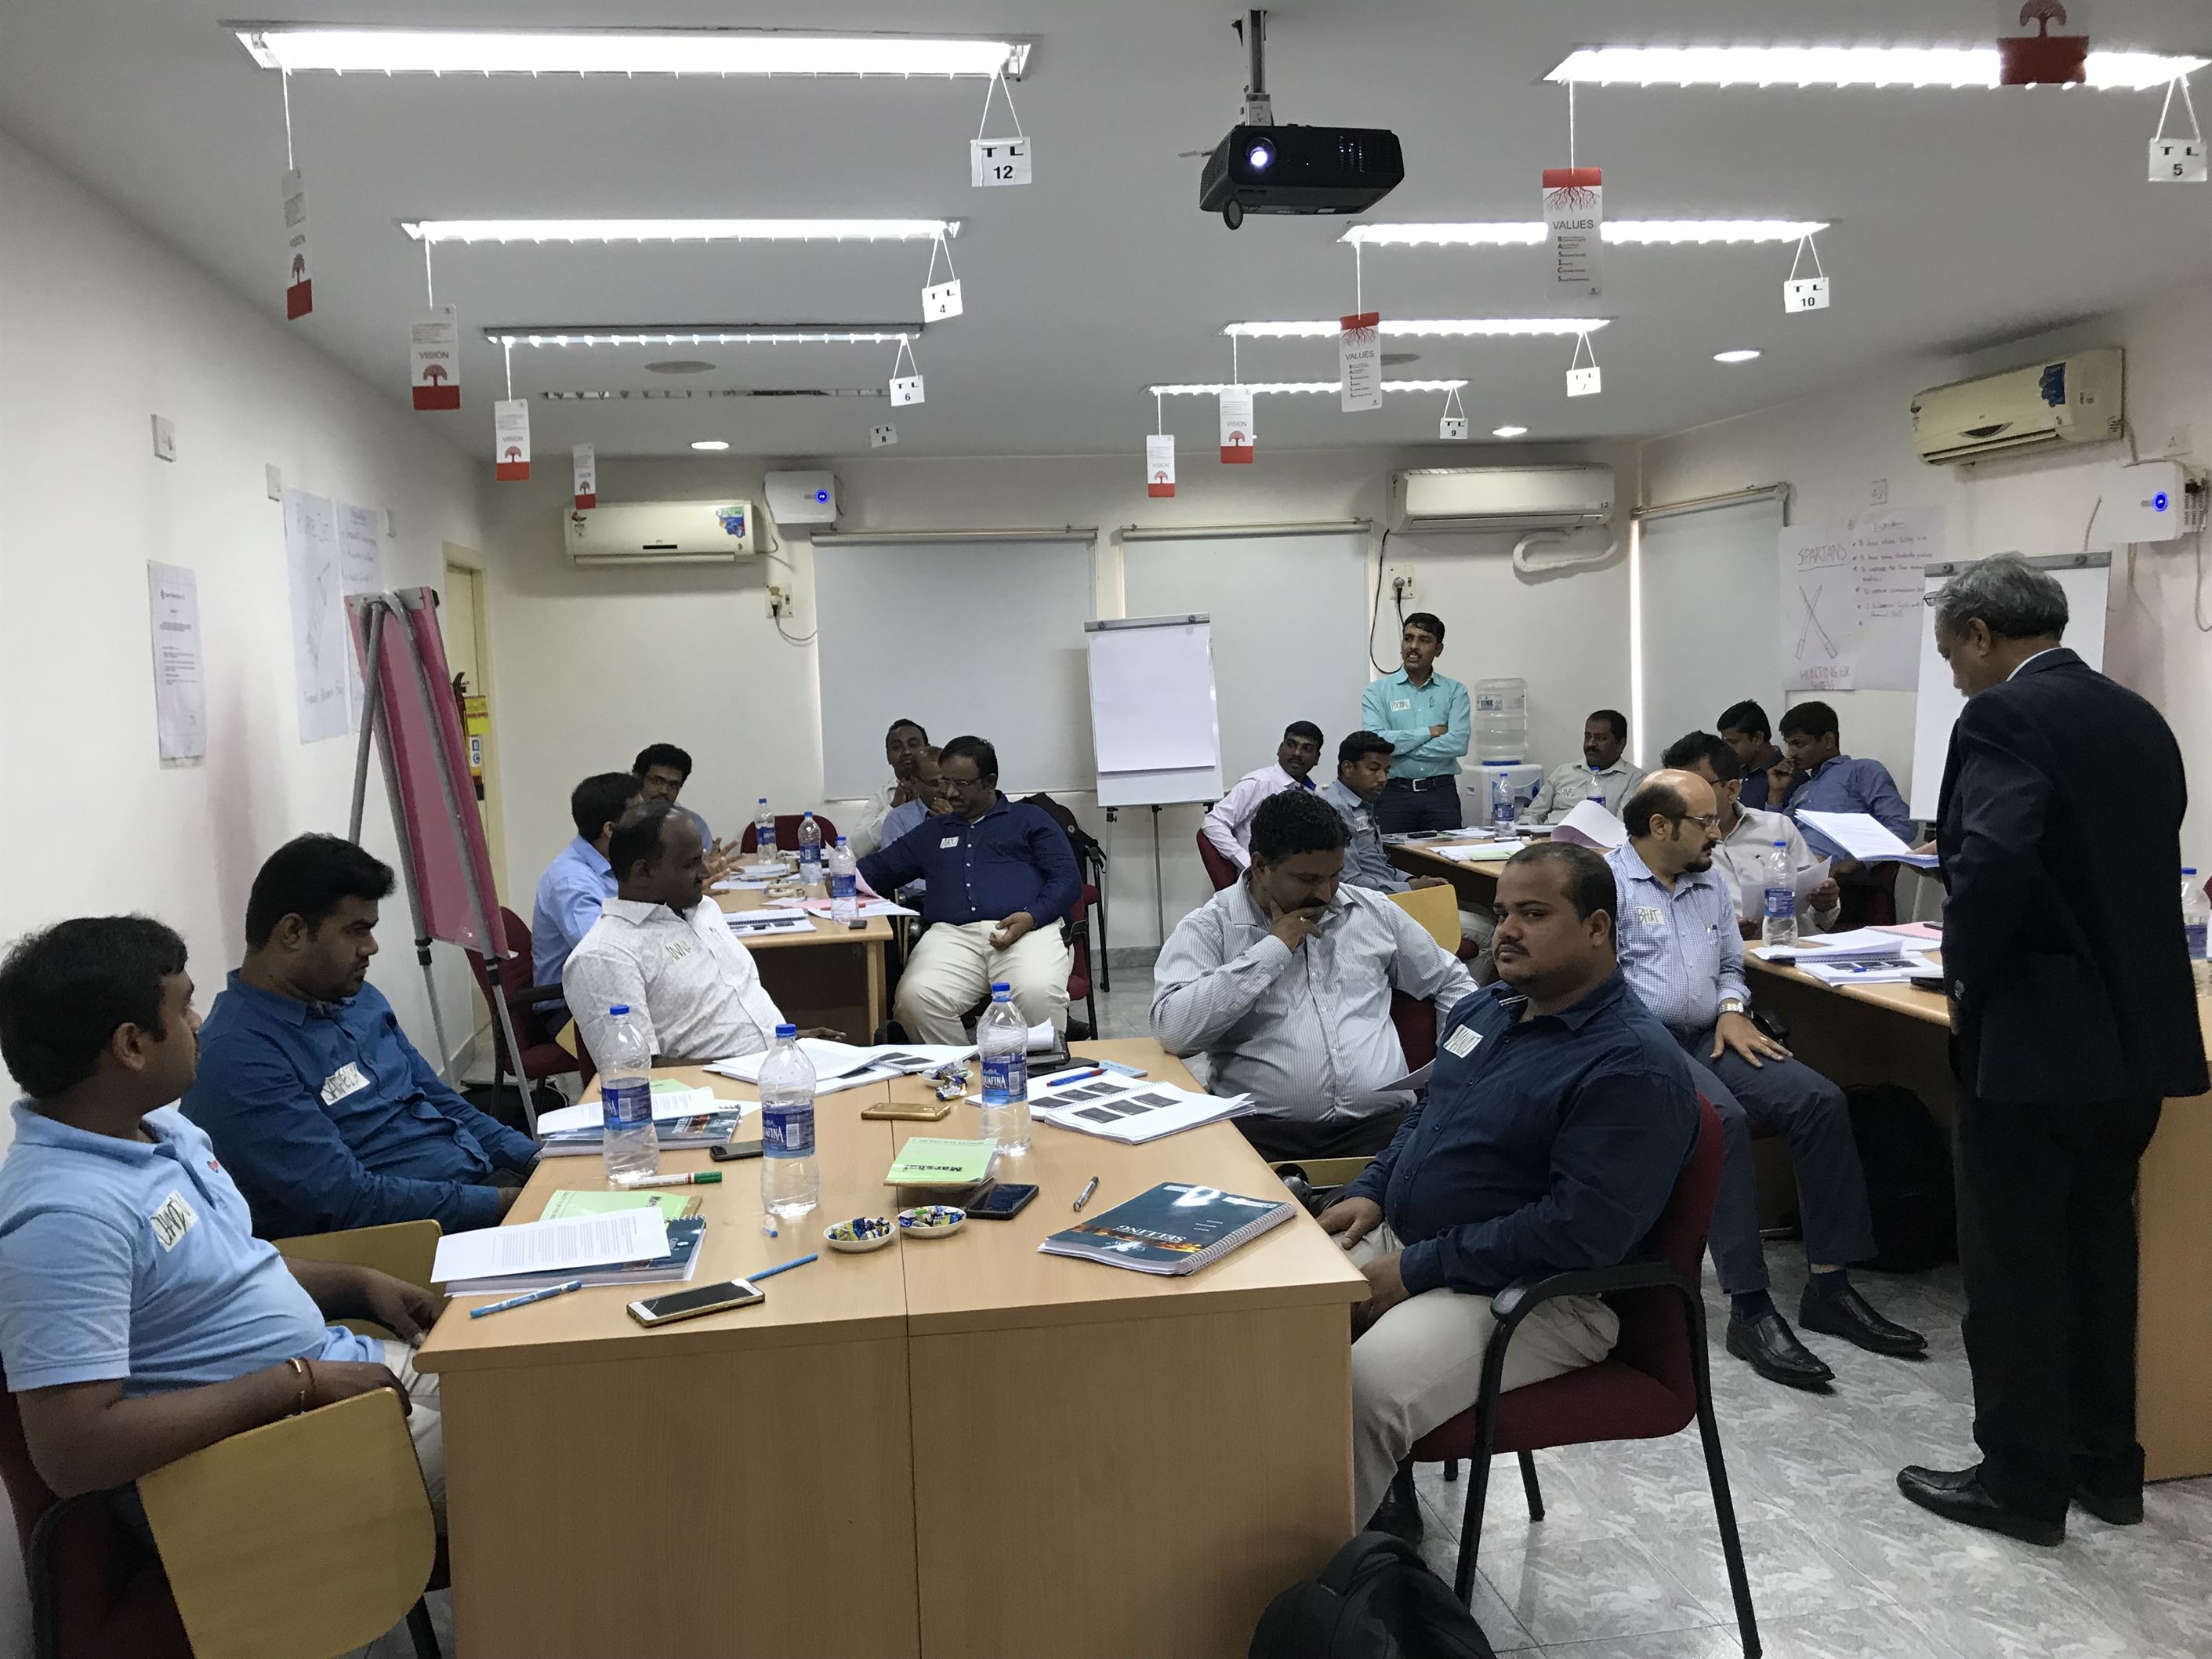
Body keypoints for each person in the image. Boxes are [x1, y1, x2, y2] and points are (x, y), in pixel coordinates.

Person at [1897, 556, 2207, 1546]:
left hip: (2034, 1040)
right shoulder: (2138, 718)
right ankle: (2105, 1467)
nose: (1954, 678)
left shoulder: (2002, 717)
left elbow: (1990, 859)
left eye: (1952, 655)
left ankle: (2020, 1483)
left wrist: (1962, 983)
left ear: (1980, 633)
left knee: (2015, 1264)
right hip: (2134, 1036)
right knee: (2099, 1252)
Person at [0, 917, 447, 1520]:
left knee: (535, 1382)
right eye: (183, 1008)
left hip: (334, 1373)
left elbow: (226, 1269)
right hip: (258, 1467)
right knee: (539, 1438)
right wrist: (297, 1382)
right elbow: (74, 1453)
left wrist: (357, 1284)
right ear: (131, 1045)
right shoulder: (63, 1217)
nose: (198, 1023)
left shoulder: (163, 1129)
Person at [1318, 843, 1701, 1526]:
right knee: (1267, 1314)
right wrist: (1373, 1187)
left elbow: (1579, 1231)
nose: (1506, 933)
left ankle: (1325, 1569)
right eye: (1501, 914)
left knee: (1362, 1390)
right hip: (1417, 1242)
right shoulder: (1488, 1010)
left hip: (1539, 1293)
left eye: (1534, 914)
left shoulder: (1630, 1065)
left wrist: (1416, 1268)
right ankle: (1314, 1515)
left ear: (1597, 927)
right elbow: (1429, 1114)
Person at [1605, 771, 1924, 1388]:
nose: (1718, 833)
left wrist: (1732, 1009)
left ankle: (1829, 1286)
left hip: (1712, 1032)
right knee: (1721, 1120)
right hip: (1640, 1044)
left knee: (1818, 1101)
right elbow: (1596, 987)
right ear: (1660, 826)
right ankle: (1749, 1306)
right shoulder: (1606, 885)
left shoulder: (1706, 882)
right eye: (1705, 822)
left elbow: (1731, 964)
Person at [183, 837, 539, 1240]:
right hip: (407, 1242)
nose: (371, 947)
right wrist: (511, 1204)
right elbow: (350, 1202)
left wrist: (537, 1160)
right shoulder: (240, 1057)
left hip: (477, 1192)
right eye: (356, 931)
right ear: (293, 932)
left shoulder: (357, 999)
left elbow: (441, 1099)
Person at [1153, 790, 1477, 1163]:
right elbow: (1174, 1031)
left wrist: (1456, 1063)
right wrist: (1272, 950)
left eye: (1334, 875)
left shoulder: (1371, 911)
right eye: (1308, 879)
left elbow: (1453, 982)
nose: (1325, 893)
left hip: (1382, 1129)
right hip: (1262, 1132)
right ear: (1260, 866)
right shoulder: (1212, 926)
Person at [858, 736, 1079, 1044]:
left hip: (1027, 930)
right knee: (915, 999)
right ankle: (963, 1066)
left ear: (989, 782)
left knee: (1036, 991)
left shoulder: (1029, 820)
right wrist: (838, 875)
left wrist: (1032, 916)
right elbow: (879, 870)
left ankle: (1037, 1068)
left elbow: (1067, 879)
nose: (949, 793)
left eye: (960, 784)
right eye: (944, 782)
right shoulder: (934, 831)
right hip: (952, 936)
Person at [563, 802, 807, 1066]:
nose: (704, 872)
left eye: (700, 859)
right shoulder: (605, 955)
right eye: (690, 864)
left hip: (778, 1061)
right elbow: (635, 1070)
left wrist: (791, 1041)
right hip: (724, 1083)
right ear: (643, 872)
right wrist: (752, 1064)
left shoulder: (704, 910)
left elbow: (733, 1007)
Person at [1662, 731, 1840, 937]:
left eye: (1694, 787)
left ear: (1732, 790)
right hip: (1730, 953)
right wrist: (1724, 933)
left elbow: (1820, 914)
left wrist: (1825, 903)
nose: (1679, 797)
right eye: (1672, 788)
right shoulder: (1671, 844)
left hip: (1799, 945)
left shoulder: (1777, 827)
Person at [530, 771, 643, 1014]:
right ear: (611, 829)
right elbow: (603, 956)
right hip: (566, 1011)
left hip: (606, 993)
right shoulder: (570, 881)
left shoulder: (612, 862)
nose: (650, 824)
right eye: (640, 816)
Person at [1360, 613, 1470, 834]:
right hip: (1393, 794)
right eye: (1408, 638)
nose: (1413, 646)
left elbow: (1458, 744)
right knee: (1392, 855)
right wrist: (1428, 732)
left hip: (1441, 795)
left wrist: (1400, 748)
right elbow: (1376, 743)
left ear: (1438, 649)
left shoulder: (1455, 691)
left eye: (1424, 640)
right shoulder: (1377, 691)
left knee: (1444, 856)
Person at [1322, 731, 1454, 895]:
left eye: (1386, 771)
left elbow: (1378, 866)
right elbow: (1348, 882)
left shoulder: (1363, 803)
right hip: (1367, 901)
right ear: (1348, 768)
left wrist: (1411, 881)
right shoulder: (1335, 810)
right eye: (1373, 769)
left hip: (1384, 893)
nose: (1383, 778)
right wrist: (1410, 889)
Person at [1769, 702, 1913, 847]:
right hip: (1798, 860)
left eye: (1799, 744)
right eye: (1789, 745)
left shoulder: (1861, 771)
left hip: (1842, 860)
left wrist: (1857, 858)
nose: (1791, 753)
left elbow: (1902, 825)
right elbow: (1776, 839)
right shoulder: (1802, 790)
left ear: (1828, 741)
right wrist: (1776, 793)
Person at [1201, 721, 1324, 870]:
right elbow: (1213, 822)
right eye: (1291, 745)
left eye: (1306, 749)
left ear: (1316, 758)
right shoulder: (1258, 783)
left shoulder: (1316, 794)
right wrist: (1248, 863)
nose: (1297, 753)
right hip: (1263, 877)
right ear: (1280, 749)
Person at [1528, 710, 1646, 824]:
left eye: (1600, 738)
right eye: (1588, 737)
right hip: (1549, 835)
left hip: (1597, 837)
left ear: (1620, 744)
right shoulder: (1562, 772)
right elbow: (1533, 814)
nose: (1591, 744)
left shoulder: (1635, 779)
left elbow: (1623, 827)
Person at [847, 718, 932, 858]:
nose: (906, 752)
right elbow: (858, 847)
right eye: (897, 747)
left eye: (913, 745)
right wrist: (893, 807)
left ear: (928, 749)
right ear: (888, 756)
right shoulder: (884, 795)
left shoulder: (946, 787)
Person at [876, 746, 943, 903]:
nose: (943, 789)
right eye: (934, 784)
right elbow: (896, 874)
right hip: (923, 903)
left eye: (947, 781)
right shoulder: (899, 818)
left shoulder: (964, 812)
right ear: (914, 782)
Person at [633, 742, 716, 851]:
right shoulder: (620, 818)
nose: (664, 791)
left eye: (673, 785)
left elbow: (706, 859)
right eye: (657, 781)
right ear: (638, 779)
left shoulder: (693, 824)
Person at [1717, 700, 1784, 811]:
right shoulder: (1729, 769)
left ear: (1758, 738)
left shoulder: (1787, 778)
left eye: (1733, 742)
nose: (1727, 750)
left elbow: (1784, 821)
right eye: (1725, 743)